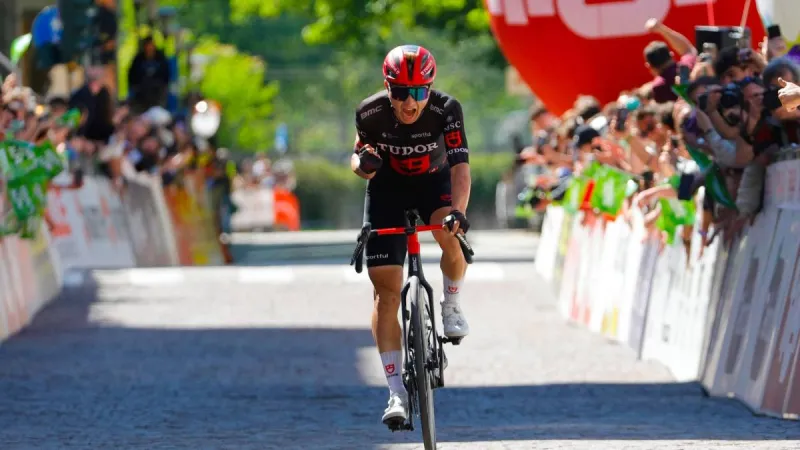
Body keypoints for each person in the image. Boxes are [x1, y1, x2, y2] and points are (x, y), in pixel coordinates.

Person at [351, 44, 471, 427]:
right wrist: (362, 165)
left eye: (418, 91)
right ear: (388, 88)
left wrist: (458, 212)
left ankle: (451, 304)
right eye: (401, 92)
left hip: (434, 185)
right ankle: (395, 392)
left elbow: (461, 168)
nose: (409, 102)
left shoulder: (446, 110)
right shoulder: (369, 113)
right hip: (387, 191)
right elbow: (358, 157)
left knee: (450, 234)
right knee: (386, 295)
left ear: (429, 88)